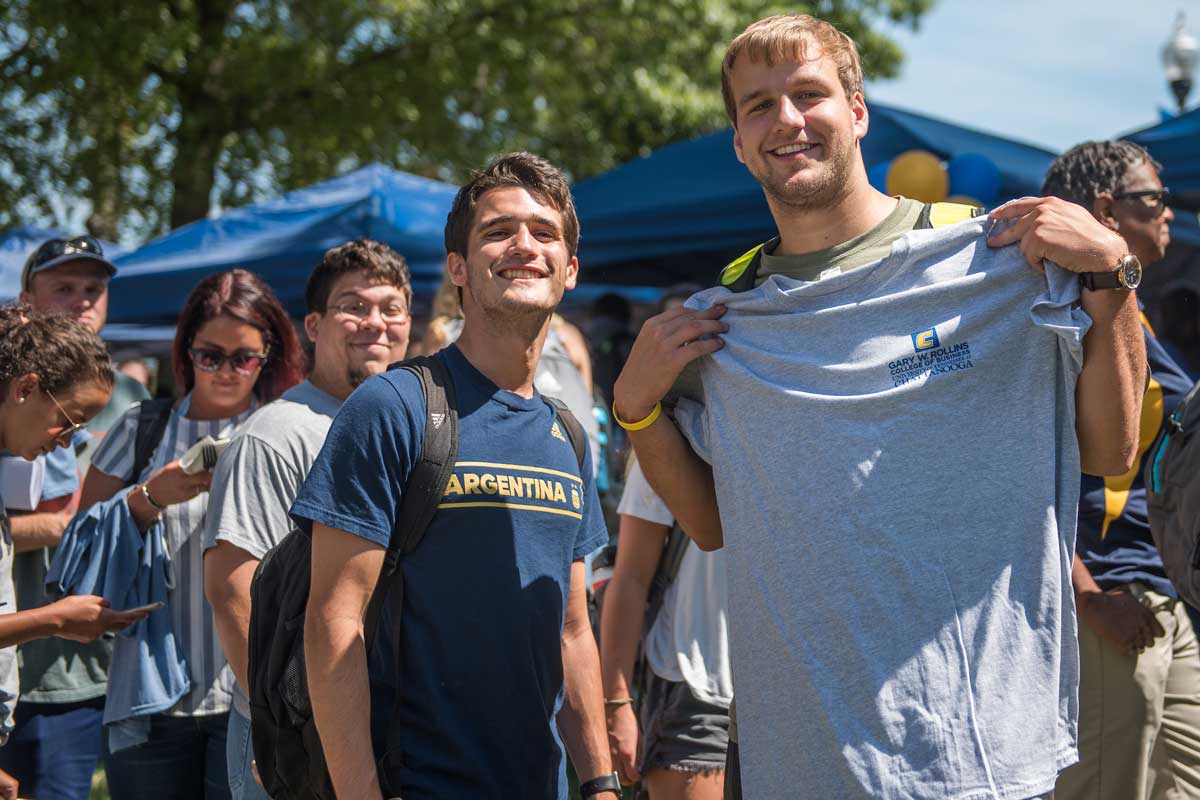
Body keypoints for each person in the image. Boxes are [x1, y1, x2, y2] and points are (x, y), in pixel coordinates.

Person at [613, 14, 1147, 799]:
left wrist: (1113, 276)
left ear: (857, 111)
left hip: (983, 760)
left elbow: (1111, 452)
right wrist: (636, 410)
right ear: (737, 140)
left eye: (808, 94)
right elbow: (711, 525)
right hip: (803, 766)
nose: (786, 120)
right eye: (758, 106)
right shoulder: (728, 320)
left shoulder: (993, 258)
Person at [291, 152, 617, 799]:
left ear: (570, 269)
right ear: (458, 268)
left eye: (545, 232)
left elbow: (572, 628)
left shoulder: (568, 436)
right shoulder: (394, 407)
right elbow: (334, 620)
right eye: (498, 230)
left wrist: (602, 783)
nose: (524, 244)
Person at [70, 269, 302, 800]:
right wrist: (151, 497)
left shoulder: (280, 433)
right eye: (209, 355)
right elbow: (80, 544)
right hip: (148, 696)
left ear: (267, 355)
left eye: (243, 357)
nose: (226, 370)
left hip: (249, 696)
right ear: (186, 351)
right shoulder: (141, 428)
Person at [203, 239, 412, 800]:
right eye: (354, 306)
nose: (375, 323)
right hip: (295, 735)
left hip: (376, 727)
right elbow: (233, 593)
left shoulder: (411, 428)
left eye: (391, 308)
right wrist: (282, 726)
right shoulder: (274, 436)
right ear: (314, 326)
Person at [1042, 141, 1200, 799]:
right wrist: (1085, 594)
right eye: (1155, 199)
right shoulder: (1055, 315)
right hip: (1101, 595)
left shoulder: (1136, 318)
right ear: (1107, 208)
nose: (1169, 214)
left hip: (1164, 595)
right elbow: (1023, 467)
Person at [0, 236, 150, 800]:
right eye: (63, 287)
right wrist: (55, 614)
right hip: (33, 659)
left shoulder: (132, 398)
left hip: (81, 672)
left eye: (94, 289)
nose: (71, 438)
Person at [601, 284, 728, 800]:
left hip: (781, 682)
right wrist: (615, 703)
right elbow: (630, 578)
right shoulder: (666, 443)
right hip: (693, 682)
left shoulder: (774, 428)